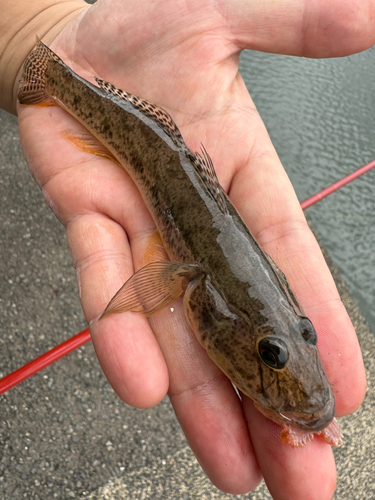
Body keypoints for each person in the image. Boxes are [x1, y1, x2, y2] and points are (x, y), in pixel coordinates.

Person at [1, 0, 373, 497]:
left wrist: (27, 29)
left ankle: (50, 73)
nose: (293, 343)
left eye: (299, 334)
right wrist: (27, 32)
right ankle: (53, 78)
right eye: (273, 353)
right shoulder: (197, 283)